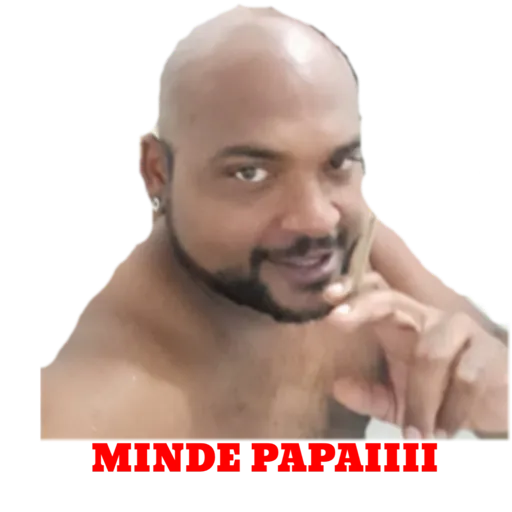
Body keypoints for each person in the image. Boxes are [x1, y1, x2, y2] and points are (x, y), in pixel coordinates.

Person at [40, 4, 510, 443]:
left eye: (337, 162)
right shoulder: (97, 409)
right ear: (157, 172)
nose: (317, 218)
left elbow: (492, 369)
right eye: (251, 173)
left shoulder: (349, 249)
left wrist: (498, 403)